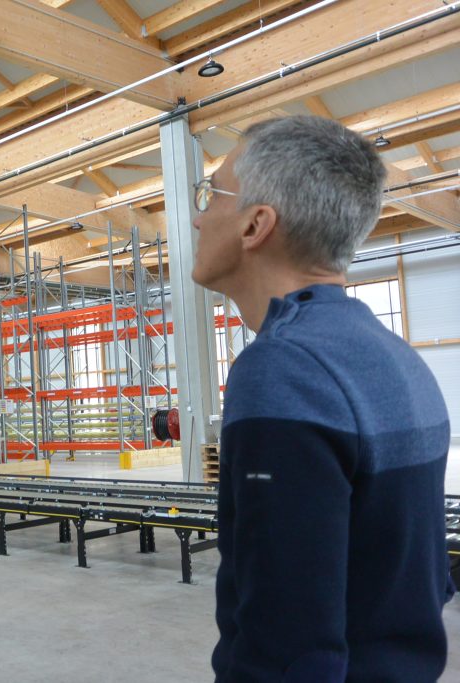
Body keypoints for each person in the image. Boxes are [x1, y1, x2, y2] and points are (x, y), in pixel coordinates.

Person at [191, 116, 453, 682]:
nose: (196, 214)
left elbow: (286, 647)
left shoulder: (283, 369)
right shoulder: (398, 358)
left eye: (211, 195)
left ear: (255, 225)